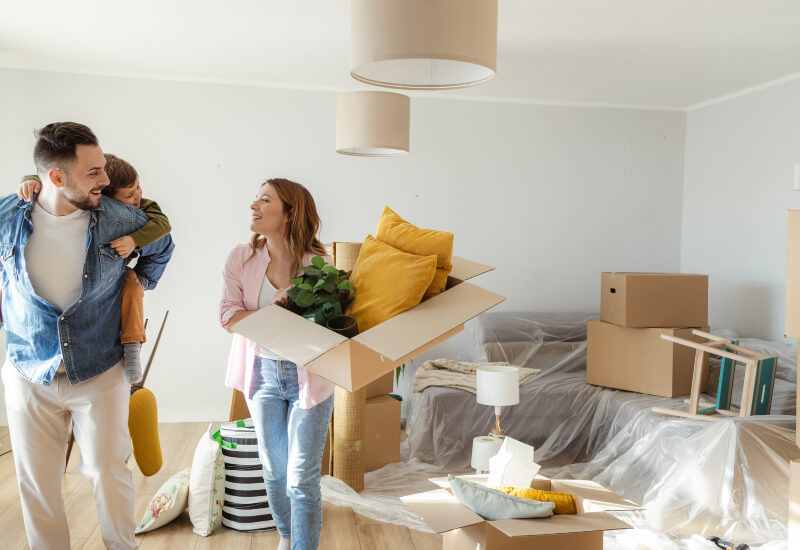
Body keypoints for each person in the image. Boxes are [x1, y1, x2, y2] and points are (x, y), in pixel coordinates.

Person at [0, 121, 175, 550]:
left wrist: (137, 280)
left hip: (100, 368)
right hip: (28, 370)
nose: (106, 179)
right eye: (93, 171)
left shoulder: (118, 219)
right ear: (55, 177)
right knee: (37, 482)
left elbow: (163, 242)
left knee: (107, 470)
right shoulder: (5, 217)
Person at [220, 178, 334, 550]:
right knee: (274, 471)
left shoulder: (320, 262)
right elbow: (228, 316)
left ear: (288, 214)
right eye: (256, 197)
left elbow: (329, 327)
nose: (254, 205)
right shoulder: (241, 257)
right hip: (261, 375)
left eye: (264, 200)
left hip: (311, 378)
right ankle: (286, 537)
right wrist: (273, 309)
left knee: (301, 477)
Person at [17, 153, 172, 383]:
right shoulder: (87, 207)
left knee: (130, 282)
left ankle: (132, 345)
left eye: (138, 188)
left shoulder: (144, 209)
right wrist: (30, 180)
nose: (139, 196)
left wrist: (134, 240)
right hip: (97, 279)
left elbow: (163, 226)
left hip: (132, 275)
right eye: (129, 195)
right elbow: (58, 180)